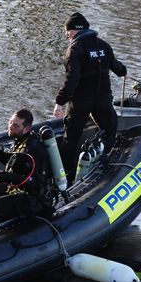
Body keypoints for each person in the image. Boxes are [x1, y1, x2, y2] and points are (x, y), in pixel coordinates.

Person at [53, 12, 126, 184]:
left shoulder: (75, 48)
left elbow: (73, 79)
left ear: (73, 31)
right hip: (103, 99)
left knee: (70, 139)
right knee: (109, 129)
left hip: (81, 102)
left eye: (67, 32)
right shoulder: (103, 45)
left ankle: (66, 179)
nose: (67, 36)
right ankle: (104, 165)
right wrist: (124, 72)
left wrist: (59, 102)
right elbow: (117, 68)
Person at [0, 109, 52, 222]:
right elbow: (14, 161)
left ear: (26, 129)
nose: (10, 127)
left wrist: (9, 177)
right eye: (10, 122)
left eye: (16, 125)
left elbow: (38, 183)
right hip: (17, 188)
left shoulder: (34, 149)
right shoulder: (19, 140)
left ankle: (15, 225)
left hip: (34, 198)